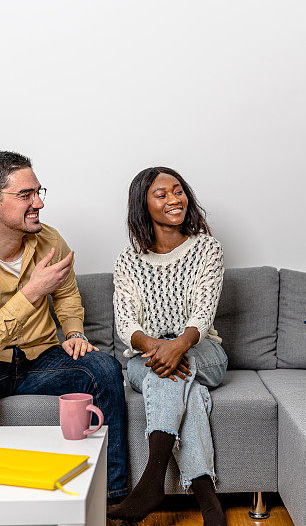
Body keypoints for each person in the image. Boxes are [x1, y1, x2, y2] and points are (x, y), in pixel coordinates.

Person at [0, 150, 128, 502]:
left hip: (39, 360)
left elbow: (68, 295)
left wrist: (74, 332)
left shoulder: (50, 240)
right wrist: (32, 292)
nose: (38, 202)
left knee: (104, 366)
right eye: (25, 195)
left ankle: (111, 496)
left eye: (39, 192)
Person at [108, 167, 228, 525]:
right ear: (142, 205)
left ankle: (151, 480)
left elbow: (203, 314)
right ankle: (209, 503)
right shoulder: (127, 261)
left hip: (203, 352)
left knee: (171, 370)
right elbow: (126, 325)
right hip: (145, 356)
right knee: (180, 386)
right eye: (161, 194)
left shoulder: (208, 248)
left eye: (178, 191)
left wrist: (177, 346)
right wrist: (159, 347)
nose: (174, 199)